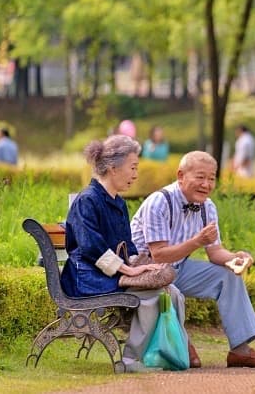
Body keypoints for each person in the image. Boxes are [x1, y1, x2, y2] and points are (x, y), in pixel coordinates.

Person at [130, 151, 255, 368]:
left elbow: (215, 252)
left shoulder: (207, 207)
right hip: (147, 273)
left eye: (211, 178)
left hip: (178, 268)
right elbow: (158, 254)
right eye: (200, 177)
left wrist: (235, 258)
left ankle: (240, 350)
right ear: (181, 175)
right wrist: (196, 241)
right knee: (191, 361)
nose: (206, 184)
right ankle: (180, 342)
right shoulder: (159, 202)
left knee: (228, 276)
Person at [61, 134, 189, 373]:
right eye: (133, 167)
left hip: (106, 274)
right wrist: (128, 270)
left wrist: (143, 265)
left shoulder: (118, 203)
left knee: (172, 291)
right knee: (150, 296)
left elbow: (127, 246)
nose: (135, 174)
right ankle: (132, 361)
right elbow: (91, 247)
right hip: (86, 278)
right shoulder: (87, 200)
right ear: (112, 168)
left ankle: (167, 354)